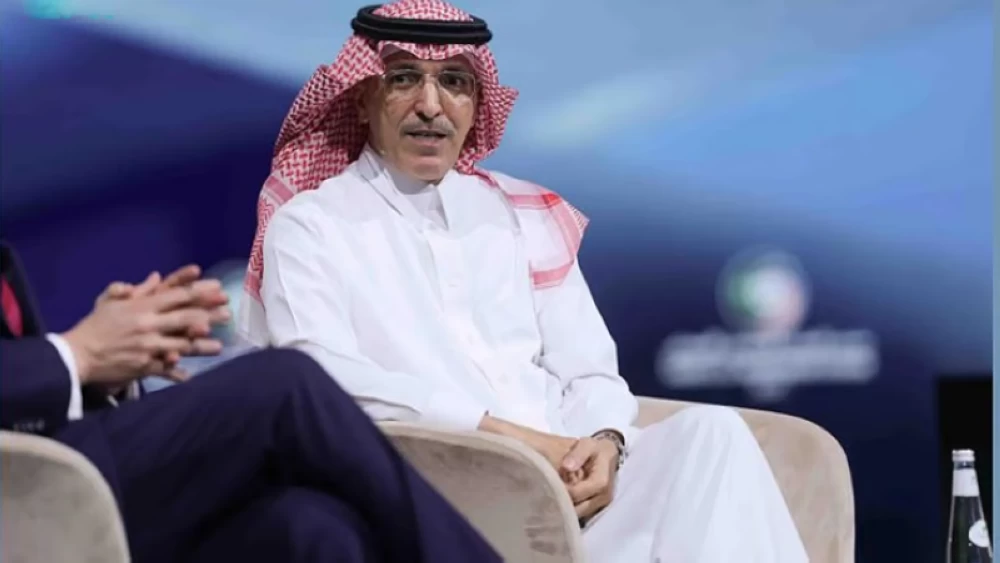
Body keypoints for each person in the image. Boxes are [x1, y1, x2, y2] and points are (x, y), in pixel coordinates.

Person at [238, 1, 810, 561]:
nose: (431, 106)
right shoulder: (312, 224)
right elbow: (318, 378)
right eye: (404, 79)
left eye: (454, 83)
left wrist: (604, 442)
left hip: (573, 488)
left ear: (477, 102)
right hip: (441, 492)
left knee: (712, 431)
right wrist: (512, 440)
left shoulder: (520, 213)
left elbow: (589, 369)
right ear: (363, 98)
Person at [0, 241, 501, 563]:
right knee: (281, 385)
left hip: (51, 476)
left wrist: (106, 370)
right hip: (23, 498)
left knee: (312, 527)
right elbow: (57, 367)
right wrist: (77, 354)